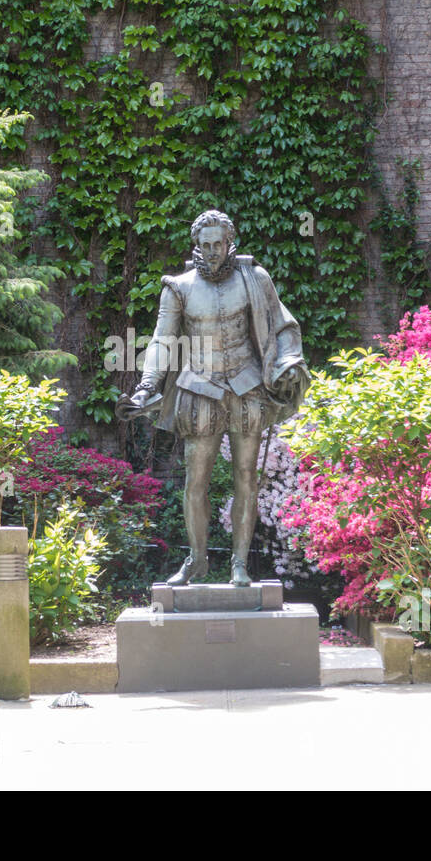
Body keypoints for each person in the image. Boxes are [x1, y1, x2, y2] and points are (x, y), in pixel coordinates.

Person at [118, 209, 309, 587]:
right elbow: (162, 339)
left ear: (229, 242)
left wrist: (287, 361)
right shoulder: (179, 287)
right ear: (196, 246)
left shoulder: (255, 278)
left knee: (246, 478)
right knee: (195, 481)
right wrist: (148, 384)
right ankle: (197, 560)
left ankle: (240, 564)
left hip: (247, 386)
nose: (211, 252)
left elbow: (281, 325)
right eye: (204, 245)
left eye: (217, 244)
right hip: (199, 389)